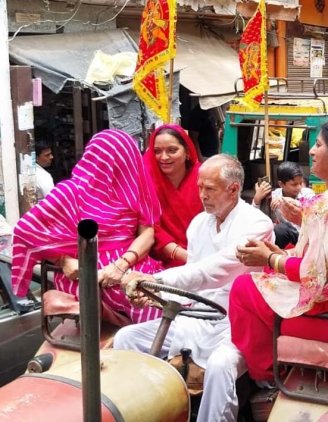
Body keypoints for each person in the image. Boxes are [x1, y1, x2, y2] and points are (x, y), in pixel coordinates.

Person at [229, 120, 328, 385]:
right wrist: (279, 256)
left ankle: (269, 378)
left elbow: (321, 277)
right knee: (264, 276)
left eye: (318, 145)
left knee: (242, 288)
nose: (312, 151)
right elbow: (327, 256)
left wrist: (271, 259)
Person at [116, 154, 274, 422]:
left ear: (233, 189)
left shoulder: (257, 224)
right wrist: (152, 295)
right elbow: (194, 275)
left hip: (237, 323)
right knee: (125, 339)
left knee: (220, 365)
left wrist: (158, 282)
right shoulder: (198, 224)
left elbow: (211, 271)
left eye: (209, 189)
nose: (202, 195)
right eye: (200, 187)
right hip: (194, 318)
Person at [11, 129, 163, 325]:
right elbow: (26, 230)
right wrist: (62, 260)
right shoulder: (71, 192)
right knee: (139, 299)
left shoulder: (134, 190)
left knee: (161, 294)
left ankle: (154, 347)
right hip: (86, 272)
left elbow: (148, 233)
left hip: (131, 264)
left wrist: (121, 265)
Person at [144, 125, 204, 268]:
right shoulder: (146, 181)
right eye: (157, 151)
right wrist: (184, 256)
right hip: (162, 260)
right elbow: (150, 227)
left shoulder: (204, 178)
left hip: (204, 254)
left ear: (187, 152)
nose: (164, 157)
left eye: (172, 150)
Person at [253, 162, 315, 248]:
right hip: (286, 235)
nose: (299, 187)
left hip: (305, 233)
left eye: (300, 183)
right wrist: (257, 199)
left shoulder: (307, 193)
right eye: (294, 184)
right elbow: (256, 217)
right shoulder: (274, 196)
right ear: (281, 184)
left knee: (281, 229)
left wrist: (289, 201)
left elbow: (313, 211)